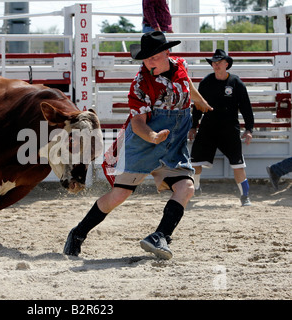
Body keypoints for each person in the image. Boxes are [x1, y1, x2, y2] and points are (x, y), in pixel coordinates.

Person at [63, 31, 212, 260]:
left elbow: (186, 81)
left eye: (153, 57)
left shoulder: (180, 65)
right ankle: (78, 233)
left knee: (186, 188)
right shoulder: (140, 84)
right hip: (144, 144)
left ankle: (160, 236)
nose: (149, 62)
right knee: (119, 194)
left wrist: (200, 100)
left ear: (166, 53)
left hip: (173, 146)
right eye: (145, 58)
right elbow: (138, 122)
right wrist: (152, 136)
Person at [188, 49, 254, 206]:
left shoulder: (236, 83)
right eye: (214, 63)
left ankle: (245, 195)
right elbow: (197, 106)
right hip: (208, 126)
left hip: (230, 128)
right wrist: (193, 126)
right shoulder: (206, 82)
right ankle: (195, 188)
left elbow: (246, 107)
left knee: (238, 164)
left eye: (219, 62)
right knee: (195, 162)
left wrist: (249, 129)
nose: (216, 65)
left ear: (226, 64)